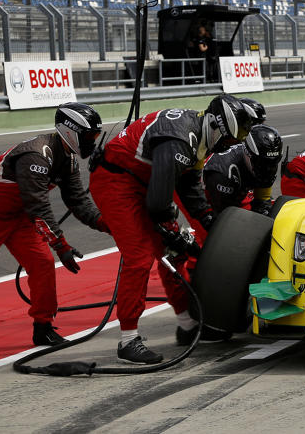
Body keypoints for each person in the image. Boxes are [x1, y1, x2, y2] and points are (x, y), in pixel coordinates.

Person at [89, 95, 253, 363]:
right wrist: (171, 233)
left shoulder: (200, 136)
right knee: (139, 257)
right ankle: (128, 341)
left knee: (174, 254)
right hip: (117, 182)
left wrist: (211, 221)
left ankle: (187, 325)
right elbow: (158, 203)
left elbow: (189, 187)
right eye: (228, 140)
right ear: (216, 126)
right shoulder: (179, 139)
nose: (227, 147)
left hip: (143, 181)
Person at [0, 103, 106, 346]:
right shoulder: (37, 154)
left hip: (19, 218)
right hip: (9, 212)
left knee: (43, 265)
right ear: (70, 130)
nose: (91, 141)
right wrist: (61, 245)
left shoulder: (68, 160)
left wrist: (108, 224)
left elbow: (78, 202)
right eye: (88, 135)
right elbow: (38, 207)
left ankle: (43, 328)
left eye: (95, 136)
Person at [203, 124, 282, 216]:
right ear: (247, 153)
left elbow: (263, 202)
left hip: (239, 190)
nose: (268, 168)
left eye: (273, 163)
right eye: (262, 163)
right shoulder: (223, 174)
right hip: (205, 199)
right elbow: (224, 219)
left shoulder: (266, 163)